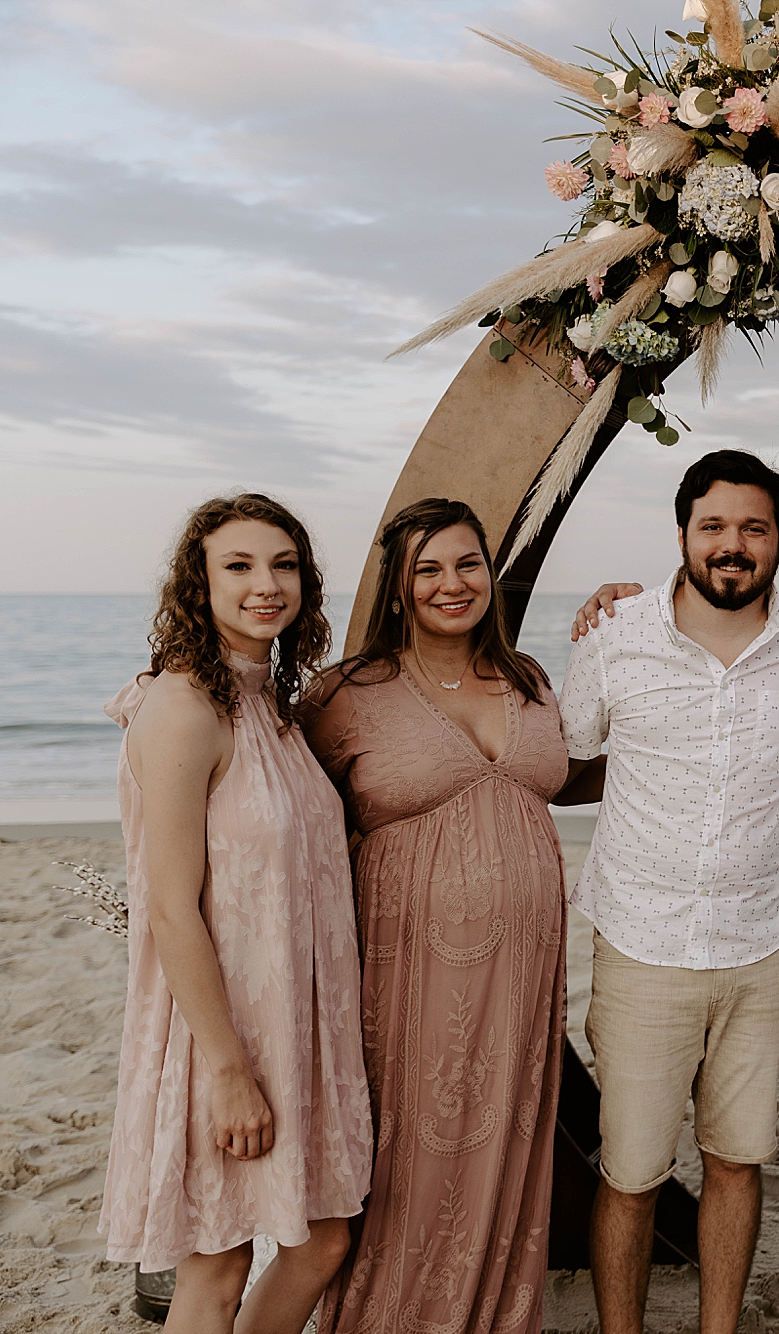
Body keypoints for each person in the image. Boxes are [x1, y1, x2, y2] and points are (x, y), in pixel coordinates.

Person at [559, 451, 779, 1334]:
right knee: (632, 1170)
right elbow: (561, 764)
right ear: (682, 534)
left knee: (737, 1159)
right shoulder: (614, 637)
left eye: (753, 529)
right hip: (641, 945)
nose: (733, 545)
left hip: (761, 944)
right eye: (713, 526)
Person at [303, 498, 576, 1334]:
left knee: (506, 1148)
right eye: (429, 569)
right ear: (398, 587)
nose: (452, 584)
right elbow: (279, 808)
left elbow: (580, 770)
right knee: (409, 1153)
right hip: (406, 978)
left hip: (525, 979)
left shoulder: (529, 679)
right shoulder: (346, 694)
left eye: (468, 564)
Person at [100, 493, 370, 1334]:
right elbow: (170, 910)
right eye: (240, 566)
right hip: (220, 1036)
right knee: (215, 1266)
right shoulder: (183, 708)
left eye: (284, 565)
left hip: (295, 1025)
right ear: (199, 582)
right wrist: (226, 1072)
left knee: (322, 1240)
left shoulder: (268, 702)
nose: (267, 585)